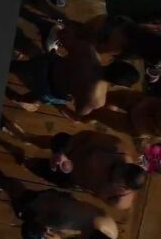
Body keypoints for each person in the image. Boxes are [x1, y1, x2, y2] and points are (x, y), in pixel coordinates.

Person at [0, 167, 117, 239]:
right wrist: (37, 222)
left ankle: (0, 182)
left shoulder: (111, 232)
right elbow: (47, 207)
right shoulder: (70, 217)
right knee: (21, 202)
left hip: (61, 206)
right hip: (49, 203)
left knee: (23, 205)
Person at [9, 39, 140, 116]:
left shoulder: (90, 54)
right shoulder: (98, 99)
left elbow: (67, 39)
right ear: (118, 83)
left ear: (116, 63)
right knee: (48, 98)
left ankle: (13, 63)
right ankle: (19, 97)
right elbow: (80, 111)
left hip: (47, 65)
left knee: (26, 61)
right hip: (47, 89)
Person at [44, 131, 146, 209]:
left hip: (69, 177)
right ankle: (29, 138)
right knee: (49, 142)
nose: (118, 168)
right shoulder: (116, 148)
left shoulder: (119, 199)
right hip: (70, 150)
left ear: (124, 187)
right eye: (123, 166)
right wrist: (64, 152)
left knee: (37, 168)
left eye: (120, 174)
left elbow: (96, 197)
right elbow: (86, 135)